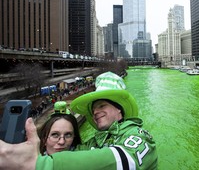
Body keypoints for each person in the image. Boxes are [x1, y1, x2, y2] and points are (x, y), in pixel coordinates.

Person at [0, 71, 158, 170]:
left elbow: (127, 159)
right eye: (93, 109)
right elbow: (69, 152)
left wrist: (37, 164)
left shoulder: (140, 135)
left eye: (102, 105)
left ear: (119, 109)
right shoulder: (94, 142)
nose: (95, 112)